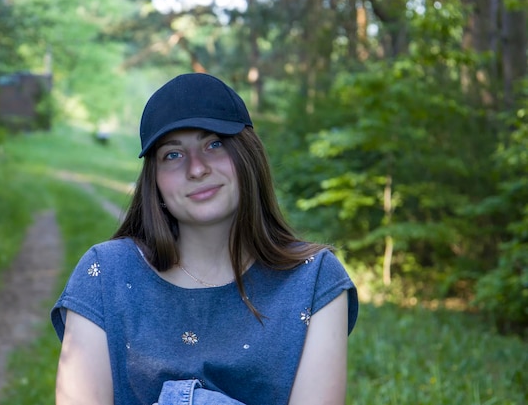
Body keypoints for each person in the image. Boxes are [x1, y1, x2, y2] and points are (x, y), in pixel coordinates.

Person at [51, 73, 358, 405]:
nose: (196, 169)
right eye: (173, 154)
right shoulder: (104, 275)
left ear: (248, 156)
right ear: (154, 181)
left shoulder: (313, 280)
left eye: (214, 144)